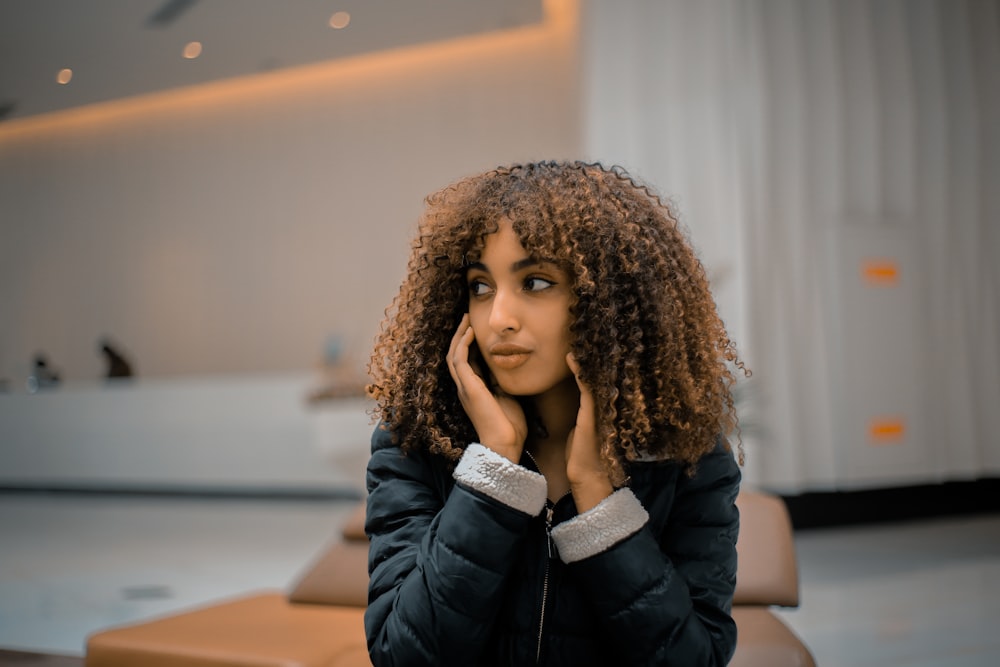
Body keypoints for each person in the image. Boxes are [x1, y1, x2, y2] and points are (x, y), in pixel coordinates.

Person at [364, 160, 747, 666]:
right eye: (481, 286)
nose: (498, 318)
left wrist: (597, 498)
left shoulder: (686, 457)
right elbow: (403, 656)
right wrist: (491, 470)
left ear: (608, 300)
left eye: (537, 283)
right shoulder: (415, 441)